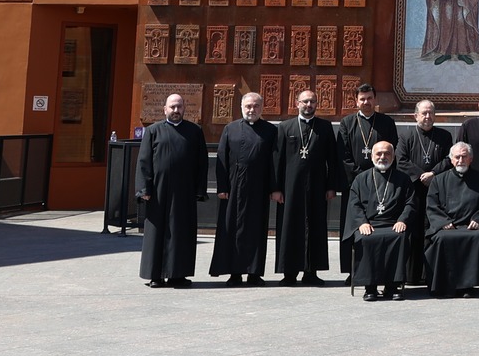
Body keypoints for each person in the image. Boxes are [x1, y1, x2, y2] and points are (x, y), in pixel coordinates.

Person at [136, 92, 207, 288]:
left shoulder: (194, 131)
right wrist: (144, 189)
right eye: (172, 107)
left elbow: (201, 162)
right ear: (165, 109)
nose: (176, 110)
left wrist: (199, 189)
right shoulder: (153, 131)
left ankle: (178, 275)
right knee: (156, 233)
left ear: (184, 109)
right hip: (157, 192)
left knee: (181, 232)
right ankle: (155, 275)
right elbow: (144, 161)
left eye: (179, 106)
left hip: (184, 191)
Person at [273, 89, 342, 286]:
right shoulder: (285, 127)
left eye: (312, 101)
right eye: (305, 101)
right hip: (290, 188)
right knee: (289, 228)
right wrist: (276, 188)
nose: (309, 105)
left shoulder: (325, 127)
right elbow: (277, 160)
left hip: (317, 186)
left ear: (316, 104)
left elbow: (332, 159)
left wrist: (331, 186)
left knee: (316, 227)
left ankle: (311, 272)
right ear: (297, 103)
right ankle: (289, 273)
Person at [211, 92, 279, 285]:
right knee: (232, 229)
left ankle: (254, 273)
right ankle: (234, 273)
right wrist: (222, 187)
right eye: (248, 106)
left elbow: (274, 161)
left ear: (262, 108)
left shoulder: (270, 131)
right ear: (241, 107)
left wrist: (274, 188)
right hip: (233, 188)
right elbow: (222, 158)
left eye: (256, 106)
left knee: (256, 230)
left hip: (259, 188)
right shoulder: (230, 128)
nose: (252, 110)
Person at [334, 84, 397, 275]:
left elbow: (392, 151)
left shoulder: (386, 122)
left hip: (382, 185)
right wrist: (361, 178)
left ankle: (380, 270)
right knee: (353, 226)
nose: (366, 102)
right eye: (362, 99)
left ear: (375, 99)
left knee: (380, 227)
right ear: (356, 101)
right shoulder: (347, 123)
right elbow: (343, 155)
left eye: (369, 98)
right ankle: (353, 272)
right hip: (354, 185)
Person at [423, 142, 479, 297]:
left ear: (471, 159)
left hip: (471, 227)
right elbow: (432, 205)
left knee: (478, 237)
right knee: (441, 239)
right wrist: (443, 222)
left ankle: (467, 286)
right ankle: (443, 286)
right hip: (446, 227)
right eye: (457, 157)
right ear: (451, 159)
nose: (460, 160)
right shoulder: (439, 180)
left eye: (464, 157)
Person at [343, 139, 411, 301]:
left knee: (399, 237)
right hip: (369, 224)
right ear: (372, 156)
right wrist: (362, 222)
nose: (382, 157)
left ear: (393, 156)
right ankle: (370, 287)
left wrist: (402, 220)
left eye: (387, 153)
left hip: (393, 223)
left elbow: (410, 203)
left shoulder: (403, 179)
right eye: (379, 153)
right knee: (365, 238)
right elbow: (354, 204)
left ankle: (393, 286)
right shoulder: (361, 179)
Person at [395, 99, 453, 278]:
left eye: (431, 113)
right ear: (416, 116)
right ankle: (412, 275)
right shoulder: (406, 136)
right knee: (414, 230)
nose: (428, 116)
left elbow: (449, 159)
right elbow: (401, 160)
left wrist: (433, 174)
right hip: (413, 192)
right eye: (424, 113)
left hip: (436, 191)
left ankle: (431, 274)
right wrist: (422, 176)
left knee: (433, 229)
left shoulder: (444, 136)